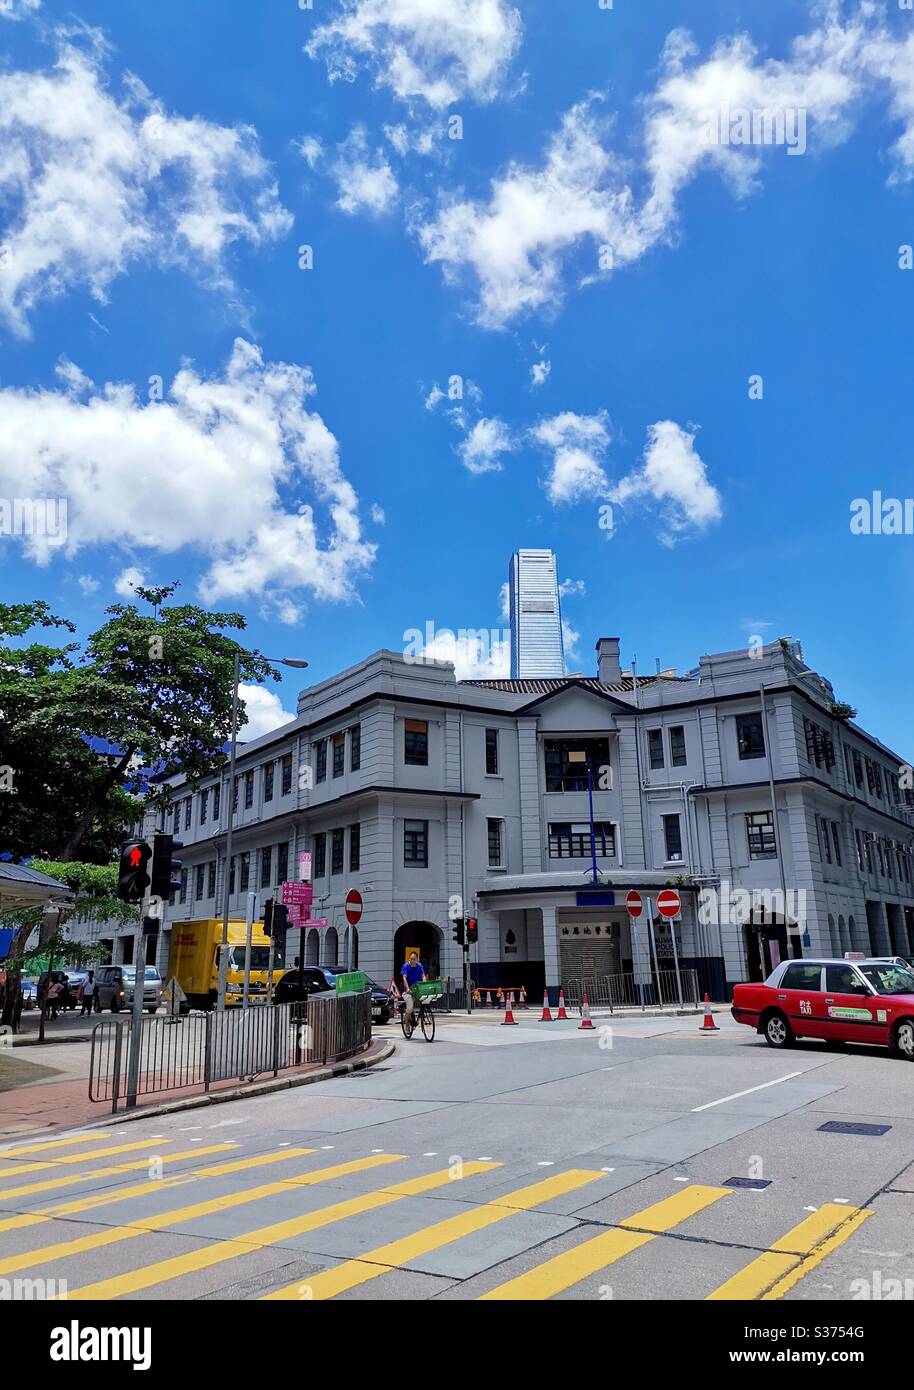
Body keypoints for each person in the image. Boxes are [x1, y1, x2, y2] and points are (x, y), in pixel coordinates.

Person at [400, 950, 426, 1021]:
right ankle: (407, 1021)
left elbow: (423, 976)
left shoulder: (419, 966)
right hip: (408, 991)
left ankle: (423, 1014)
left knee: (426, 999)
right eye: (411, 959)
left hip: (417, 990)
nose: (412, 961)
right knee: (410, 1008)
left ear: (417, 960)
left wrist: (424, 985)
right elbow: (404, 978)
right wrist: (408, 988)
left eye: (414, 959)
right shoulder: (406, 966)